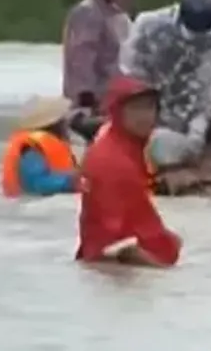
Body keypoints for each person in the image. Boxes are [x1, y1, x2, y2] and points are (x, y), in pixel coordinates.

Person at [119, 0, 211, 163]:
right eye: (192, 33)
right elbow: (129, 67)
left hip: (192, 97)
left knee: (194, 139)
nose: (196, 37)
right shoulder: (150, 25)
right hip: (153, 92)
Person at [76, 76, 182, 267]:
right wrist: (166, 274)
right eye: (135, 108)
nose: (144, 116)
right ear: (117, 112)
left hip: (104, 266)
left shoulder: (120, 146)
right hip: (120, 271)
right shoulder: (113, 162)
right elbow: (120, 246)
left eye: (149, 107)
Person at [62, 0, 136, 112]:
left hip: (118, 101)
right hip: (94, 106)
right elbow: (81, 58)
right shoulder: (87, 13)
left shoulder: (119, 15)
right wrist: (85, 98)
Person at [0, 95, 78, 197]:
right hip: (32, 207)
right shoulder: (31, 149)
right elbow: (35, 183)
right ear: (53, 124)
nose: (66, 124)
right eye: (62, 120)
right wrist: (69, 182)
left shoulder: (48, 144)